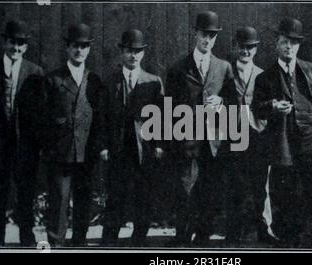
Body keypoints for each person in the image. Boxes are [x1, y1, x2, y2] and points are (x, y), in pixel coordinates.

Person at [251, 18, 312, 248]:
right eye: (284, 42)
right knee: (286, 194)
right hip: (283, 140)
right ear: (277, 45)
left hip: (311, 138)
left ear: (299, 46)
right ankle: (289, 244)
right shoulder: (265, 77)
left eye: (293, 43)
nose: (289, 47)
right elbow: (256, 108)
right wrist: (272, 106)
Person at [166, 10, 233, 247]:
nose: (208, 40)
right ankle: (182, 235)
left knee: (210, 189)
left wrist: (221, 102)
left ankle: (204, 237)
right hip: (187, 139)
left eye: (212, 36)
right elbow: (169, 108)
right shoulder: (178, 68)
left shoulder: (224, 67)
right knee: (185, 187)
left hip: (214, 140)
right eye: (204, 35)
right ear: (195, 34)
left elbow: (233, 102)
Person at [0, 20, 44, 247]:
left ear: (26, 47)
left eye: (21, 44)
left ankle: (27, 241)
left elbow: (38, 114)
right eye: (12, 42)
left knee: (25, 198)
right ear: (5, 42)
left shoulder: (35, 73)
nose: (16, 48)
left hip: (24, 149)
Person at [42, 23, 106, 247]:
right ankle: (56, 243)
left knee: (83, 200)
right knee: (59, 201)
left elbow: (100, 119)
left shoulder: (95, 80)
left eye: (84, 46)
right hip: (61, 152)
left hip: (86, 152)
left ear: (89, 49)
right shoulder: (53, 79)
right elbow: (43, 119)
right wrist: (51, 146)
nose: (79, 51)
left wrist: (98, 147)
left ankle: (79, 243)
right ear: (67, 49)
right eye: (75, 46)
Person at [100, 29, 165, 247]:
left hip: (144, 150)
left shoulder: (153, 82)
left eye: (138, 51)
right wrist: (103, 147)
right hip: (118, 149)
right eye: (129, 51)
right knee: (115, 197)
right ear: (121, 52)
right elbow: (102, 117)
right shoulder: (110, 82)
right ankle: (108, 242)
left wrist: (159, 146)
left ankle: (139, 242)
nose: (133, 56)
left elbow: (162, 117)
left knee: (143, 198)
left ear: (143, 54)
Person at [222, 26, 274, 246]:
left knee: (261, 186)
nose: (245, 51)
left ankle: (264, 230)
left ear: (256, 49)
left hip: (258, 136)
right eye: (242, 47)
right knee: (235, 186)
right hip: (234, 135)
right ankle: (234, 233)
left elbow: (268, 107)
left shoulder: (264, 75)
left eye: (250, 47)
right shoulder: (227, 72)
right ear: (236, 47)